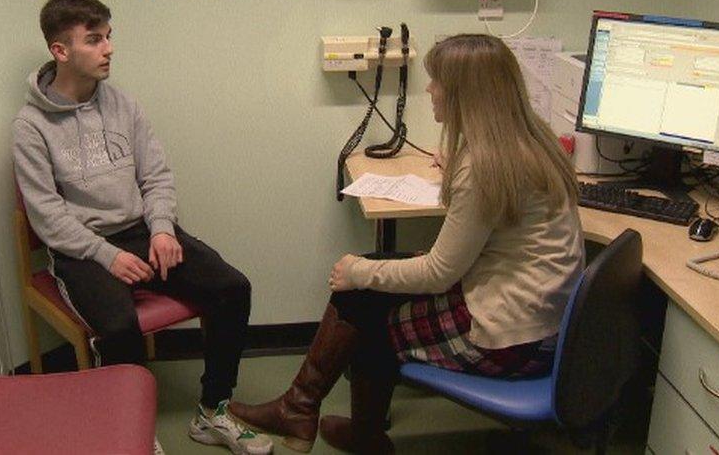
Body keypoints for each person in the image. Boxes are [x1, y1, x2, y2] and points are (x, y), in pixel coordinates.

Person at [228, 34, 586, 453]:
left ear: (464, 95)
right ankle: (306, 411)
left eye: (437, 82)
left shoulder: (483, 167)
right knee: (367, 289)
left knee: (363, 313)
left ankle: (325, 420)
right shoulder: (529, 141)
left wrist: (358, 270)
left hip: (513, 341)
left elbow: (438, 274)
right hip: (540, 321)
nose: (430, 90)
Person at [13, 0, 272, 455]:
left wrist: (162, 229)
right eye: (94, 40)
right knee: (118, 327)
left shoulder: (123, 106)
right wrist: (107, 255)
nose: (109, 48)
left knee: (233, 288)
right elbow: (47, 216)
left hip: (140, 230)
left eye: (109, 37)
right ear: (60, 50)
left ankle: (212, 411)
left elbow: (156, 176)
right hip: (82, 247)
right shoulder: (30, 126)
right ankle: (130, 434)